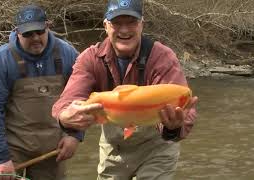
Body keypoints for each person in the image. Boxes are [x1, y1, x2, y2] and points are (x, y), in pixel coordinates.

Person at [52, 0, 198, 179]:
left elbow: (185, 113)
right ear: (105, 25)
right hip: (114, 146)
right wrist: (66, 118)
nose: (124, 30)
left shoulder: (162, 57)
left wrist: (173, 129)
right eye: (117, 23)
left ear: (142, 24)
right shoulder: (90, 59)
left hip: (157, 147)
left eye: (131, 22)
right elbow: (67, 101)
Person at [0, 4, 82, 180]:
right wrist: (1, 158)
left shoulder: (67, 54)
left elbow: (80, 99)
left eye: (39, 31)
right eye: (27, 33)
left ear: (47, 27)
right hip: (11, 148)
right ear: (17, 32)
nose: (35, 38)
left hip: (52, 149)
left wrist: (75, 136)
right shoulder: (1, 60)